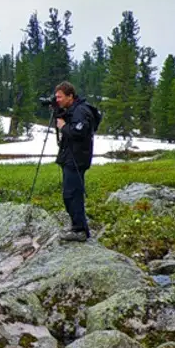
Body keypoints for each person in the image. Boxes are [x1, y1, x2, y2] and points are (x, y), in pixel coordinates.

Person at [54, 81, 101, 242]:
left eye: (60, 97)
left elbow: (78, 132)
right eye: (56, 97)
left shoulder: (81, 111)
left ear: (70, 96)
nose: (57, 100)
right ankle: (78, 227)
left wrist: (63, 126)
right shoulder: (73, 110)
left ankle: (80, 230)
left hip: (76, 159)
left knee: (72, 194)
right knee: (70, 194)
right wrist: (59, 113)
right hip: (71, 157)